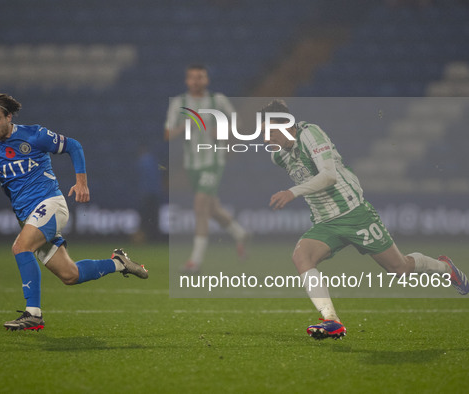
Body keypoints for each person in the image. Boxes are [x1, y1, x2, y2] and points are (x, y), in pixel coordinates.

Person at [263, 99, 469, 340]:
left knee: (399, 268)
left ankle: (446, 268)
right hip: (325, 222)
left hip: (353, 213)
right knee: (301, 256)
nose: (267, 140)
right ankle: (331, 320)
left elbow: (329, 176)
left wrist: (292, 192)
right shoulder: (278, 156)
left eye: (270, 132)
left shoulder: (311, 134)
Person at [0, 93, 148, 331]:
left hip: (51, 204)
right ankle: (119, 263)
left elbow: (73, 146)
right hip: (27, 216)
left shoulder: (34, 135)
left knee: (20, 247)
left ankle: (33, 314)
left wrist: (81, 182)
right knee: (70, 275)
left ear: (9, 117)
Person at [164, 64, 247, 273]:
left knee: (200, 206)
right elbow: (167, 134)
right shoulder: (179, 103)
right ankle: (239, 234)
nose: (196, 81)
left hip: (213, 160)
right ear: (186, 81)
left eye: (200, 77)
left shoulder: (217, 100)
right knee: (211, 208)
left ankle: (195, 261)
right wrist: (184, 127)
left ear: (206, 80)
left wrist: (223, 129)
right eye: (192, 77)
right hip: (192, 164)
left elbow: (238, 122)